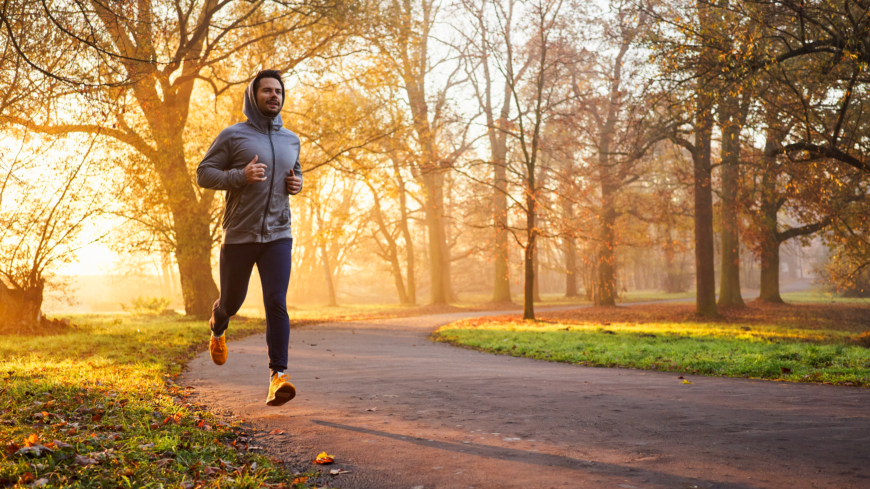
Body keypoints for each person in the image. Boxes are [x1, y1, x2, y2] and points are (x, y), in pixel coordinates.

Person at [196, 70, 302, 407]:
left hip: (278, 235)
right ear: (253, 96)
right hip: (240, 234)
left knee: (276, 301)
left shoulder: (291, 139)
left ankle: (278, 376)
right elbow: (203, 173)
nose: (274, 96)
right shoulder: (233, 136)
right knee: (232, 301)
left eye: (278, 91)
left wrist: (298, 183)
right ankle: (218, 325)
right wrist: (239, 176)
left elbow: (294, 171)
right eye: (267, 91)